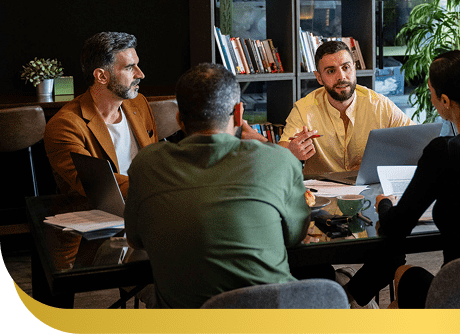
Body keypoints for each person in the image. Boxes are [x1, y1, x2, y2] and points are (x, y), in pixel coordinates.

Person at [342, 50, 460, 308]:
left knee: (404, 274)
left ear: (445, 100)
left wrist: (383, 204)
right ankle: (346, 298)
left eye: (431, 91)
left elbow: (396, 228)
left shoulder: (445, 150)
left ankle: (343, 300)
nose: (431, 98)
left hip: (459, 302)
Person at [124, 63, 310, 309]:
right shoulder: (279, 159)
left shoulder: (145, 165)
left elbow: (136, 239)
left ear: (179, 119)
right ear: (239, 113)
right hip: (270, 319)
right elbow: (295, 236)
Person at [44, 31, 158, 197]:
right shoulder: (64, 125)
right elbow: (96, 184)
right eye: (129, 68)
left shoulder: (139, 103)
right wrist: (158, 189)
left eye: (137, 65)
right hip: (98, 212)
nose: (140, 74)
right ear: (102, 76)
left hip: (148, 202)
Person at [279, 40, 412, 173]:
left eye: (346, 67)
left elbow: (415, 142)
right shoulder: (304, 109)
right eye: (331, 71)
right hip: (322, 192)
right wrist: (291, 153)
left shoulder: (379, 104)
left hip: (370, 190)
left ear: (354, 68)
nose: (341, 76)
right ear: (319, 77)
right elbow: (280, 155)